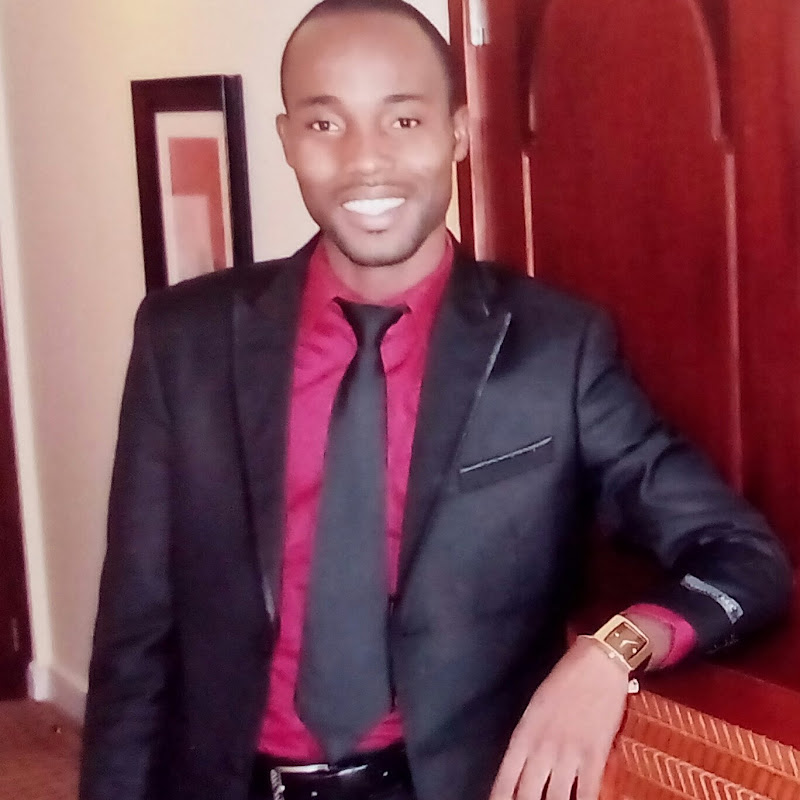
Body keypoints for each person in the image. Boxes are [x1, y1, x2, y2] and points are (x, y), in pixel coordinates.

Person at [79, 1, 793, 799]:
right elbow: (134, 636)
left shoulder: (556, 353)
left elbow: (744, 556)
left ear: (456, 133)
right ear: (286, 139)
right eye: (325, 124)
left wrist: (611, 651)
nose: (365, 161)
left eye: (404, 120)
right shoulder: (185, 341)